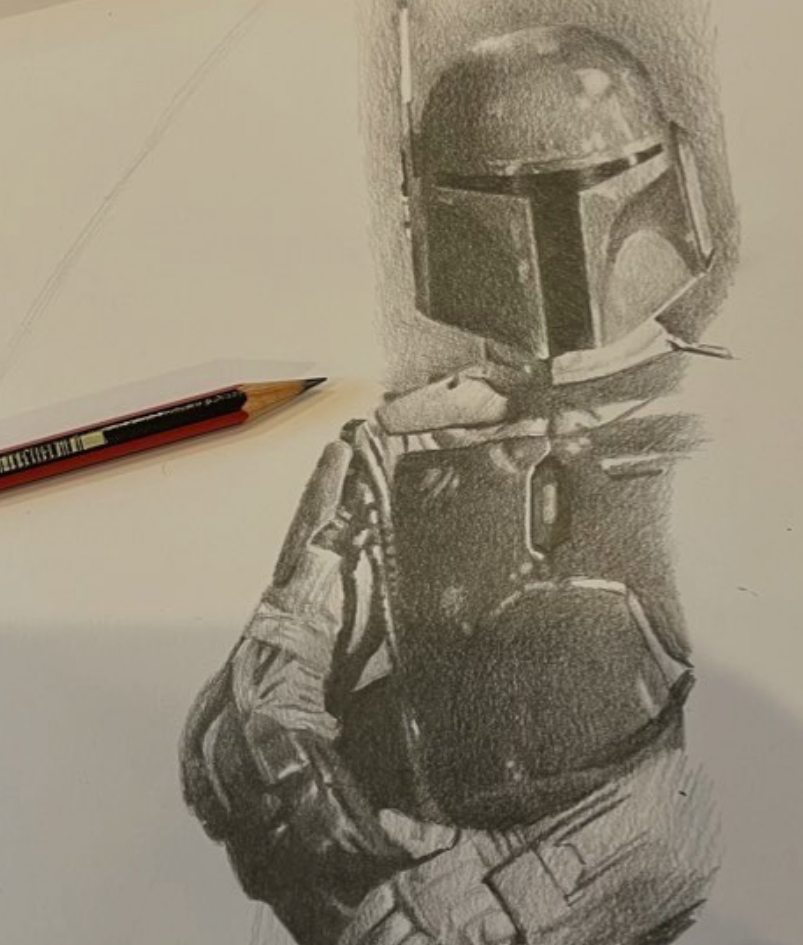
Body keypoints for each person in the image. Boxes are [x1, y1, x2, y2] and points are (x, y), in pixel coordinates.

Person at [181, 23, 728, 945]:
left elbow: (748, 772)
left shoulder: (734, 428)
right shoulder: (398, 446)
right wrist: (365, 871)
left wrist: (505, 899)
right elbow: (253, 716)